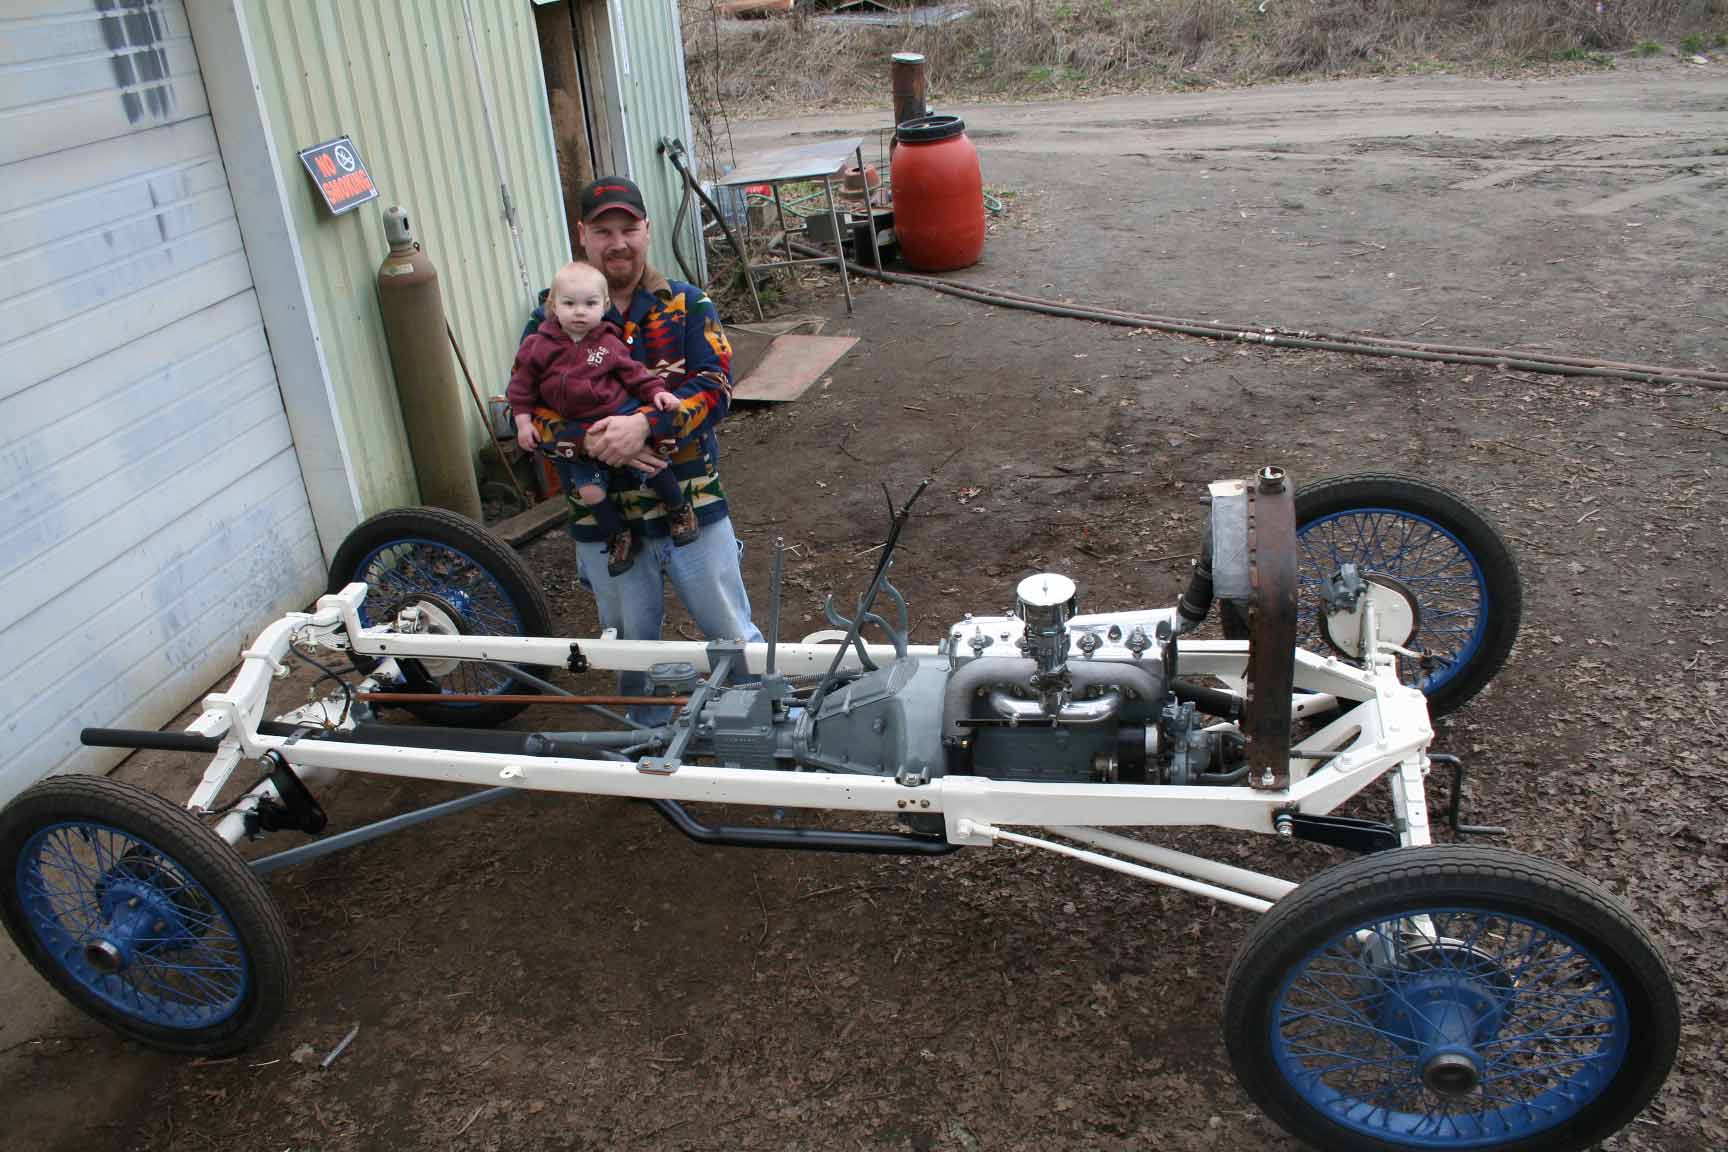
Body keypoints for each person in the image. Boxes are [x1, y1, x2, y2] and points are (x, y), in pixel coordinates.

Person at [549, 175, 763, 716]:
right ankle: (644, 744)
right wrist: (598, 442)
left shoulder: (689, 305)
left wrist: (644, 426)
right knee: (630, 647)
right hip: (606, 522)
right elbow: (530, 411)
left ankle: (764, 728)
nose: (617, 242)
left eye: (629, 228)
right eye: (603, 231)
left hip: (691, 505)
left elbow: (716, 388)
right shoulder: (554, 315)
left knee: (732, 634)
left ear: (646, 230)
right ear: (583, 235)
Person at [507, 260, 699, 577]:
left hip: (619, 410)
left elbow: (634, 374)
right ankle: (618, 535)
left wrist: (657, 394)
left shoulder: (609, 342)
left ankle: (679, 509)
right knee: (589, 491)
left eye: (590, 304)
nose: (579, 312)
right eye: (569, 304)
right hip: (577, 426)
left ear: (604, 306)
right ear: (552, 305)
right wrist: (523, 421)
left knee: (652, 463)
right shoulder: (537, 345)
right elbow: (520, 386)